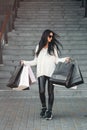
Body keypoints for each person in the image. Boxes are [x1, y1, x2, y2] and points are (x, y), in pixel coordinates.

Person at [21, 29, 70, 120]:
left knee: (50, 92)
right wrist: (25, 62)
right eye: (50, 36)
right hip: (41, 73)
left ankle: (49, 111)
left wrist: (64, 59)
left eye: (52, 36)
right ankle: (44, 107)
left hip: (51, 73)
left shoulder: (53, 47)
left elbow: (56, 60)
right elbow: (35, 61)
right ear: (45, 36)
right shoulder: (38, 47)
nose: (51, 38)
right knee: (41, 91)